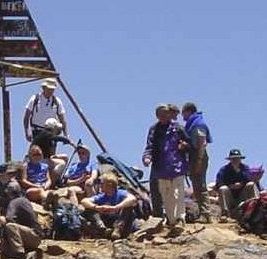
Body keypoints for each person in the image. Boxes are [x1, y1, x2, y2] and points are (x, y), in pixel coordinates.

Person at [143, 105, 189, 234]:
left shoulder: (178, 128)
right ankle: (172, 221)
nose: (164, 117)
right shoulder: (154, 129)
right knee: (166, 196)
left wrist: (185, 146)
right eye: (161, 115)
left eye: (166, 114)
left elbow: (189, 143)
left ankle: (180, 219)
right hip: (160, 168)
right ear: (157, 116)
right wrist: (147, 157)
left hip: (177, 166)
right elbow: (149, 145)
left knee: (177, 193)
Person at [181, 102, 212, 223]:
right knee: (196, 185)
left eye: (184, 113)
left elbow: (201, 143)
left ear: (188, 111)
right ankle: (202, 212)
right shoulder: (193, 123)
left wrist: (199, 160)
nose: (183, 116)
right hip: (194, 155)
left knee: (200, 185)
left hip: (199, 156)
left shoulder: (198, 124)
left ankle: (205, 213)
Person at [81, 174, 140, 238]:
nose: (100, 186)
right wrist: (96, 207)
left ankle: (118, 229)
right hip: (109, 221)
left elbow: (133, 199)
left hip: (123, 223)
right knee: (89, 208)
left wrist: (116, 207)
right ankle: (102, 228)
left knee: (128, 207)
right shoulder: (102, 196)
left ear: (109, 184)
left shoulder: (121, 193)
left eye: (102, 183)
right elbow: (84, 201)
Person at [0, 181, 43, 259]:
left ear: (10, 193)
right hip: (35, 237)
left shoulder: (14, 202)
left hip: (32, 235)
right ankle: (30, 253)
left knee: (9, 226)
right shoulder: (25, 200)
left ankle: (19, 255)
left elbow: (9, 218)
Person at [213, 149, 259, 220]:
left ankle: (255, 209)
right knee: (223, 189)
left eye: (237, 158)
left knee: (251, 184)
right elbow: (218, 183)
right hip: (230, 198)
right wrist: (230, 186)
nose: (236, 160)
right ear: (230, 159)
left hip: (243, 196)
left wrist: (241, 181)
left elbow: (250, 179)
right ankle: (225, 213)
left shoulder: (245, 168)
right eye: (233, 159)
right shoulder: (224, 170)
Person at [23, 78, 69, 144]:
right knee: (36, 152)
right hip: (37, 132)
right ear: (44, 88)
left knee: (51, 153)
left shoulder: (56, 101)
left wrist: (66, 135)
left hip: (52, 133)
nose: (51, 91)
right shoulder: (35, 99)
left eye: (52, 89)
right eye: (49, 89)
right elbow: (26, 117)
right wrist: (27, 132)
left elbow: (62, 119)